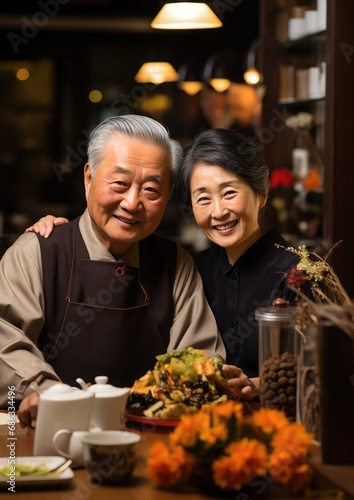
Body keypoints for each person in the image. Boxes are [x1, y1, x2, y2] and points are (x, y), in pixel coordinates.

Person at [27, 128, 304, 401]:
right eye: (203, 198)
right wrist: (61, 241)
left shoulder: (302, 274)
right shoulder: (194, 267)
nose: (218, 211)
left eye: (229, 193)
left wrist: (256, 385)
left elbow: (324, 370)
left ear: (263, 193)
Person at [0, 115, 228, 428]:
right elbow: (5, 342)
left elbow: (201, 358)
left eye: (151, 190)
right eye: (119, 184)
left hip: (148, 440)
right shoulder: (37, 252)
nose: (133, 203)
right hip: (50, 435)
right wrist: (49, 394)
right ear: (89, 177)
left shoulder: (176, 263)